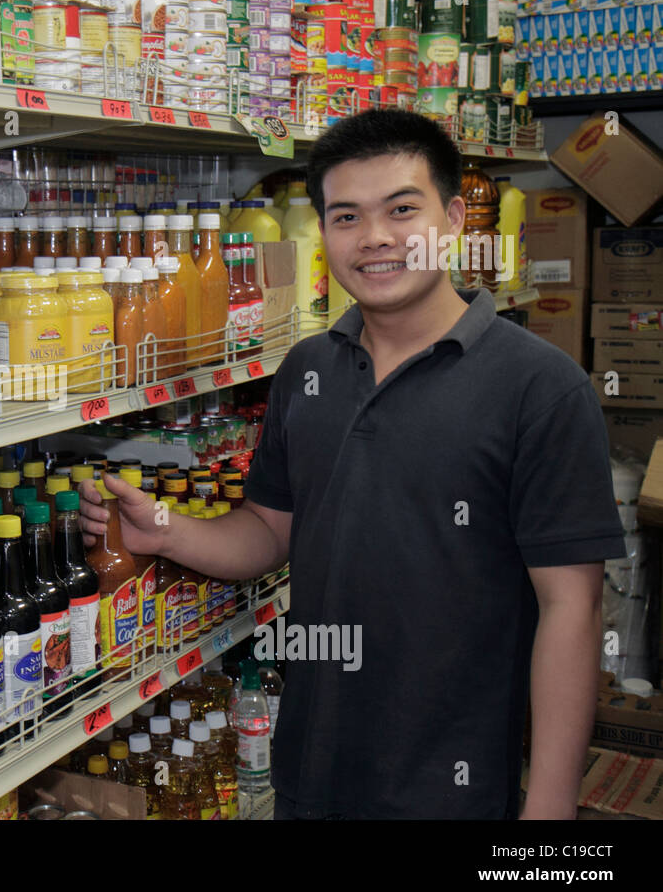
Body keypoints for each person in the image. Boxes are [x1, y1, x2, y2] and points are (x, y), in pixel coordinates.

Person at [79, 109, 625, 820]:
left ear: (455, 217)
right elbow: (269, 532)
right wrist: (166, 530)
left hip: (451, 786)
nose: (374, 239)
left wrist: (548, 817)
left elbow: (570, 610)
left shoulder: (542, 389)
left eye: (402, 209)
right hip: (310, 771)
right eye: (345, 217)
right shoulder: (308, 370)